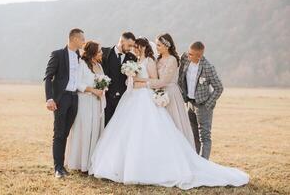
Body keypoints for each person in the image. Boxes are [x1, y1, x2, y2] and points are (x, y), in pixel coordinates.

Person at [89, 37, 249, 190]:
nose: (134, 50)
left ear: (143, 47)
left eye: (136, 47)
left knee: (156, 132)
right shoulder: (137, 61)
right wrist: (131, 78)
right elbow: (132, 81)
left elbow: (154, 80)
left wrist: (140, 83)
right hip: (132, 99)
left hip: (145, 99)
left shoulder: (150, 62)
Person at [134, 33, 195, 147]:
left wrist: (140, 82)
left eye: (159, 45)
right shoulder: (158, 59)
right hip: (158, 94)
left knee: (174, 124)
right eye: (156, 45)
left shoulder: (172, 60)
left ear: (167, 46)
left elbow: (163, 81)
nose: (156, 48)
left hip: (171, 94)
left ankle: (180, 150)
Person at [44, 28, 85, 178]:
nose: (83, 42)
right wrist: (49, 98)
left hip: (74, 99)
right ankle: (58, 168)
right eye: (82, 39)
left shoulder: (79, 56)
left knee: (66, 133)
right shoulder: (58, 54)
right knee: (59, 133)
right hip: (61, 99)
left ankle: (62, 167)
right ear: (74, 39)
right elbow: (48, 77)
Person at [178, 41, 223, 159]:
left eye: (191, 54)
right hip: (190, 104)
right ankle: (196, 161)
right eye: (188, 53)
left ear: (199, 56)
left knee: (205, 137)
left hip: (203, 106)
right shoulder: (185, 59)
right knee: (193, 135)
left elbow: (219, 88)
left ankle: (204, 164)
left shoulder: (208, 68)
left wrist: (207, 104)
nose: (188, 56)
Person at [65, 41, 105, 173]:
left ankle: (91, 163)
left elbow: (102, 81)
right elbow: (77, 84)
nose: (102, 53)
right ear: (93, 53)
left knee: (95, 130)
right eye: (99, 51)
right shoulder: (81, 64)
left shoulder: (99, 65)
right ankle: (81, 164)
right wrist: (93, 90)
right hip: (85, 102)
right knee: (85, 130)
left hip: (97, 102)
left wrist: (103, 88)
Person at [101, 32, 137, 126]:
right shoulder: (104, 53)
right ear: (121, 41)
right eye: (129, 45)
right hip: (107, 101)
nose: (130, 48)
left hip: (123, 101)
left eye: (132, 46)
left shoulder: (132, 58)